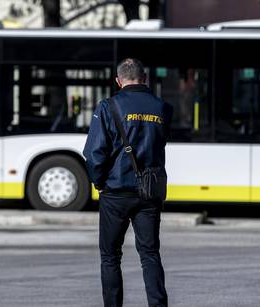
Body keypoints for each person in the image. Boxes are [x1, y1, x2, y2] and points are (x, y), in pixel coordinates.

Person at [83, 58, 173, 307]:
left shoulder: (108, 107)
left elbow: (94, 153)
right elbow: (160, 144)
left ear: (118, 80)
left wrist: (98, 181)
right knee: (150, 254)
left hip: (115, 191)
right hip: (149, 191)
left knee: (110, 257)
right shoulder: (163, 108)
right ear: (144, 79)